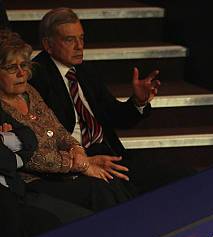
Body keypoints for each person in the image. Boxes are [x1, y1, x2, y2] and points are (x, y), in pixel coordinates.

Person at [30, 8, 191, 194]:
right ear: (48, 44)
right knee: (124, 194)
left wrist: (138, 102)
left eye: (81, 38)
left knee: (181, 174)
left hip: (109, 153)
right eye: (69, 40)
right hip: (77, 162)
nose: (79, 46)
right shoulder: (37, 77)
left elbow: (115, 116)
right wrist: (81, 162)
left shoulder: (84, 71)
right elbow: (45, 136)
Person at [0, 29, 132, 211]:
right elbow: (28, 156)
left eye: (24, 65)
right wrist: (77, 165)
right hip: (32, 181)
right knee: (98, 190)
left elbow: (58, 130)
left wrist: (76, 149)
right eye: (11, 68)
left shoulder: (28, 91)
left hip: (62, 171)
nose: (22, 73)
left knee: (111, 181)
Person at [1, 120, 91, 237]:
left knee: (86, 220)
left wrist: (3, 139)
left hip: (17, 190)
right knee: (52, 228)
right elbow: (19, 159)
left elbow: (29, 136)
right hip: (25, 186)